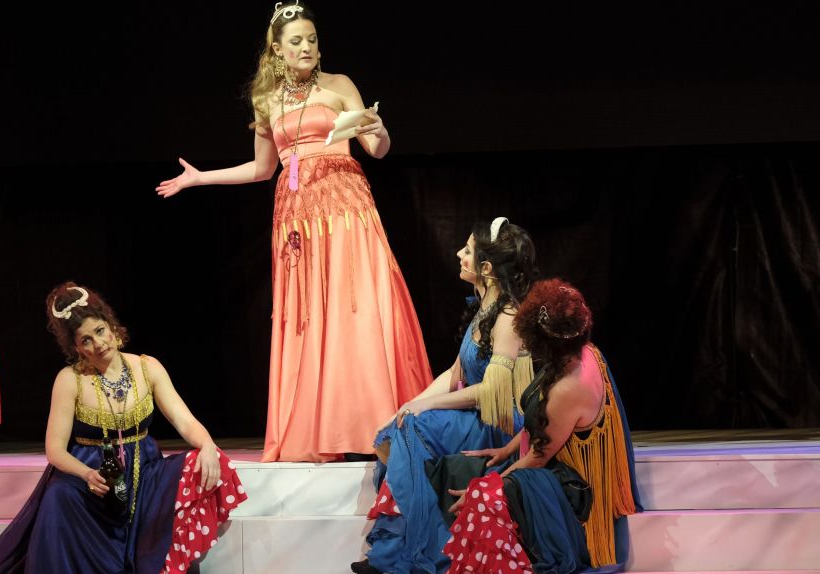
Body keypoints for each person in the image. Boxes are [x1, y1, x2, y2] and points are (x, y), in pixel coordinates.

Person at [156, 1, 432, 462]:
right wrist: (200, 178)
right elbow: (262, 169)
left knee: (356, 307)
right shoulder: (268, 100)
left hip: (345, 211)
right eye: (297, 41)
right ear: (277, 50)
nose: (307, 47)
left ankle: (378, 425)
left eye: (312, 39)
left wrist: (380, 131)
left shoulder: (339, 85)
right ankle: (319, 431)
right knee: (310, 317)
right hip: (296, 218)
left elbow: (375, 148)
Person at [0, 282, 246, 573]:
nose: (98, 344)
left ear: (111, 326)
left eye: (99, 331)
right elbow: (54, 450)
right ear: (76, 347)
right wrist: (86, 474)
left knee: (211, 459)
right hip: (92, 480)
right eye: (86, 340)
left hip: (144, 474)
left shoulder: (147, 367)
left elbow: (184, 421)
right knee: (58, 496)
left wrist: (207, 445)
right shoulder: (69, 379)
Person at [352, 218, 538, 574]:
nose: (458, 255)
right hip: (476, 417)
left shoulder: (508, 316)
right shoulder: (485, 310)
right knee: (400, 427)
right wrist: (410, 405)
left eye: (467, 250)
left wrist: (428, 406)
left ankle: (409, 557)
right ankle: (398, 553)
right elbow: (454, 374)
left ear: (487, 268)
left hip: (498, 424)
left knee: (414, 430)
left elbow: (492, 392)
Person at [442, 279, 641, 574]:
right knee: (461, 469)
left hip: (574, 496)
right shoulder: (585, 352)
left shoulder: (568, 388)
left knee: (483, 497)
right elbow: (541, 424)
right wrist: (507, 449)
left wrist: (487, 488)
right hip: (554, 469)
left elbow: (537, 457)